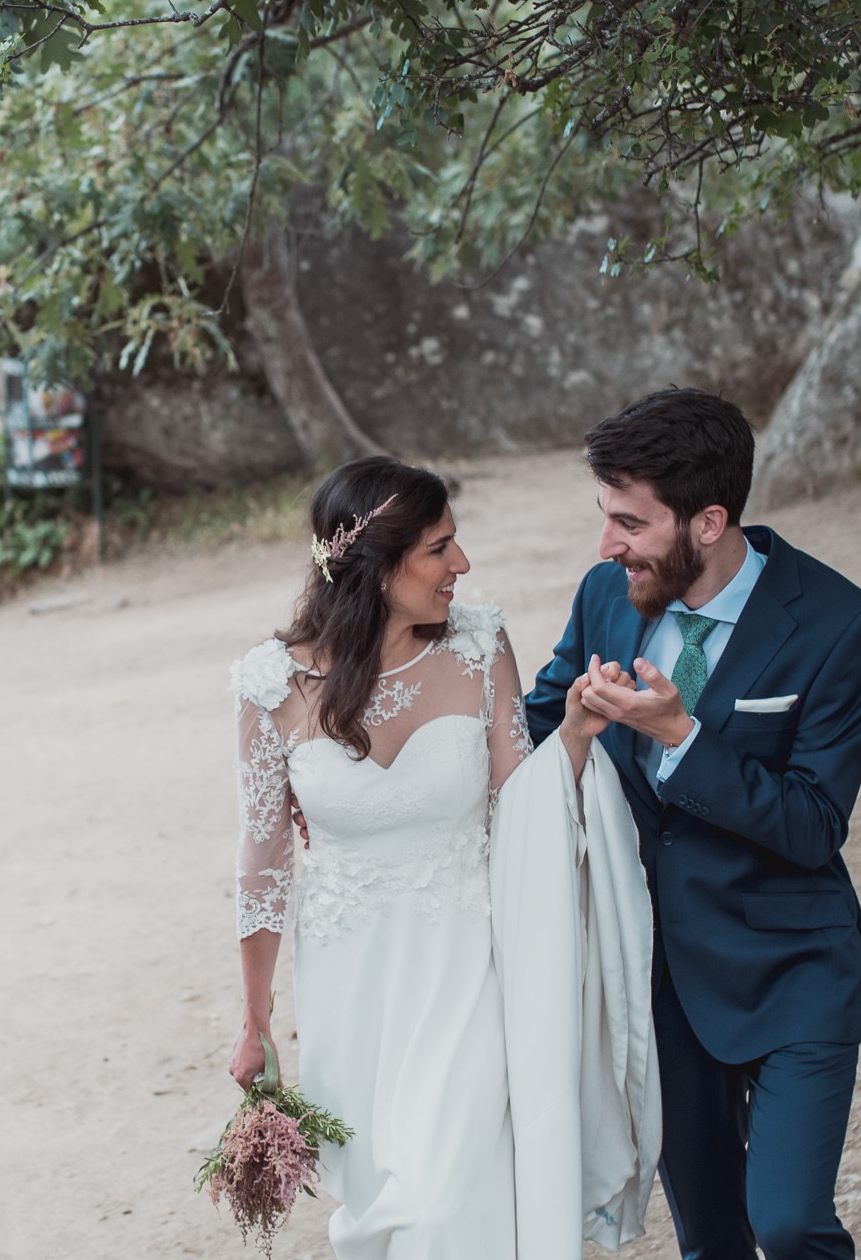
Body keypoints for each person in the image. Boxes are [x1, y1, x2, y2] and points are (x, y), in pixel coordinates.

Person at [523, 387, 861, 1260]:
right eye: (605, 515)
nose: (607, 544)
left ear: (710, 520)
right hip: (656, 973)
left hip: (793, 965)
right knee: (712, 1239)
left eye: (630, 522)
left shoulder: (843, 626)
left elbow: (813, 823)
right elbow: (534, 727)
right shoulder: (606, 594)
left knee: (790, 1224)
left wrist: (681, 738)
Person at [226, 455, 619, 1258]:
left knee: (444, 1203)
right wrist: (254, 1021)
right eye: (439, 547)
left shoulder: (480, 643)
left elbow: (522, 805)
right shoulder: (271, 685)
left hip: (465, 968)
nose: (461, 563)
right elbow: (263, 864)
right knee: (382, 1206)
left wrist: (576, 733)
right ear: (376, 566)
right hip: (351, 988)